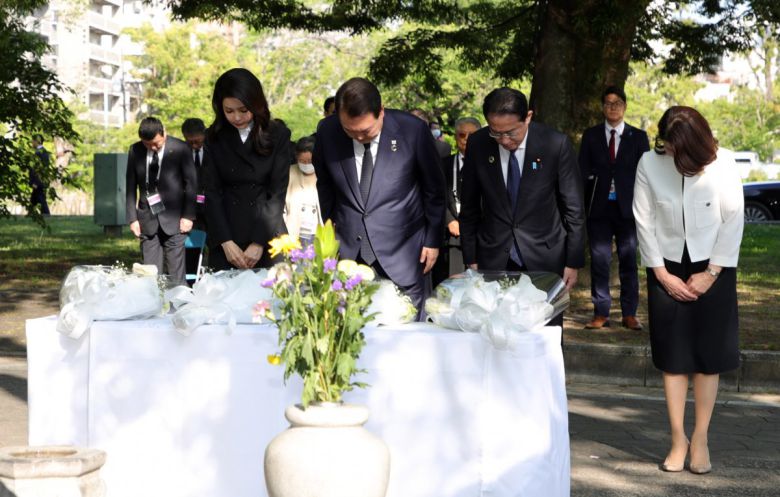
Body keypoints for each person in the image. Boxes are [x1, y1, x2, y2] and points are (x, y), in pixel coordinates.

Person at [633, 106, 744, 475]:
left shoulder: (724, 163)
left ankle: (700, 437)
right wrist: (661, 274)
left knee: (708, 356)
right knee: (673, 356)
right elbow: (643, 219)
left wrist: (711, 273)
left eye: (681, 150)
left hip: (714, 265)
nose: (674, 156)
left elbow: (733, 219)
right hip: (666, 265)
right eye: (669, 148)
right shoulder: (649, 163)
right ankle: (678, 438)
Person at [314, 77, 446, 318]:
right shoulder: (328, 131)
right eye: (349, 131)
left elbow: (434, 189)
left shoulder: (412, 130)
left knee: (407, 328)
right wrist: (331, 231)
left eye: (365, 131)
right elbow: (325, 185)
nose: (358, 137)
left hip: (404, 251)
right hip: (350, 251)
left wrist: (432, 239)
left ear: (381, 111)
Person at [459, 87, 585, 326]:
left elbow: (574, 208)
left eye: (511, 132)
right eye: (496, 133)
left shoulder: (555, 144)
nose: (504, 140)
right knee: (495, 331)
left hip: (545, 256)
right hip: (494, 256)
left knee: (544, 332)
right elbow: (470, 207)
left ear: (528, 117)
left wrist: (573, 262)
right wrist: (471, 257)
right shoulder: (479, 143)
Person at [203, 67, 290, 271]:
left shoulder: (277, 134)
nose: (237, 118)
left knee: (272, 290)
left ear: (256, 104)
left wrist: (259, 242)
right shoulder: (213, 137)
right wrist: (225, 241)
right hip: (226, 235)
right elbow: (211, 192)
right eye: (229, 111)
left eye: (243, 110)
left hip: (267, 231)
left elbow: (277, 193)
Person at [579, 86, 650, 331]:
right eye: (608, 103)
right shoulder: (591, 135)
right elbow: (582, 170)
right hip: (599, 208)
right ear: (602, 107)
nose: (612, 107)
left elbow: (645, 173)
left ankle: (629, 313)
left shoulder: (638, 137)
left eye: (617, 103)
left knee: (628, 260)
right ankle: (601, 312)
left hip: (628, 209)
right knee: (600, 260)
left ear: (625, 106)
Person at [125, 117, 197, 285]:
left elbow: (191, 184)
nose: (153, 147)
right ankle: (153, 301)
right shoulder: (135, 150)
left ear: (164, 133)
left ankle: (179, 301)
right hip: (147, 220)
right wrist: (132, 219)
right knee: (149, 276)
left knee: (177, 277)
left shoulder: (181, 148)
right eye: (147, 144)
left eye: (156, 143)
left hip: (175, 220)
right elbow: (130, 186)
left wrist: (188, 216)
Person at [432, 116, 481, 287]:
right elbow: (434, 196)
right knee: (453, 287)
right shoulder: (443, 164)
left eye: (472, 135)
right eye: (462, 135)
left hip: (480, 235)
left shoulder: (489, 163)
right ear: (455, 136)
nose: (466, 139)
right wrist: (449, 220)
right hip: (452, 236)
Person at [284, 136, 322, 243]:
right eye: (302, 161)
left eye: (309, 161)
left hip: (318, 232)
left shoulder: (324, 172)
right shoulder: (289, 173)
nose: (306, 165)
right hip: (294, 233)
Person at [181, 118, 207, 231]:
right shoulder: (180, 152)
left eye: (198, 141)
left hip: (211, 204)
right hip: (189, 206)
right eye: (190, 142)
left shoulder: (215, 150)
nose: (194, 145)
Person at [30, 134, 51, 215]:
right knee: (34, 200)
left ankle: (46, 215)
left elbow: (41, 169)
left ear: (37, 141)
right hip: (38, 182)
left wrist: (36, 182)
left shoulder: (41, 153)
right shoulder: (39, 152)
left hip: (39, 182)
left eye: (33, 140)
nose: (32, 142)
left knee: (41, 200)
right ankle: (31, 215)